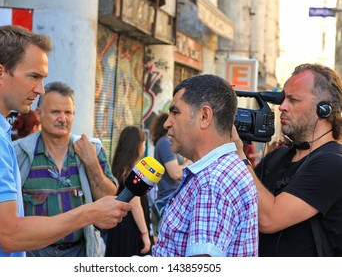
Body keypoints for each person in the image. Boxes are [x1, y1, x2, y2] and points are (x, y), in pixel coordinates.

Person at [0, 25, 131, 257]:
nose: (40, 89)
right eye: (34, 77)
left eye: (42, 79)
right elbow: (9, 234)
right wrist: (89, 214)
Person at [233, 63, 342, 256]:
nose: (282, 107)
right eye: (283, 98)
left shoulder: (333, 163)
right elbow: (240, 203)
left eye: (293, 100)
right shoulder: (279, 155)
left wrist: (239, 153)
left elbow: (269, 219)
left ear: (324, 109)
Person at [152, 74, 258, 257]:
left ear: (204, 116)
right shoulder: (221, 171)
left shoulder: (212, 183)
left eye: (175, 112)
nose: (167, 123)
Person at [13, 81, 119, 257]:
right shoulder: (19, 153)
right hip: (33, 254)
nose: (63, 119)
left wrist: (91, 163)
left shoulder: (92, 149)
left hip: (77, 252)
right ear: (39, 114)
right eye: (56, 112)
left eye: (68, 112)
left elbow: (109, 199)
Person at [105, 126, 153, 257]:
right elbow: (135, 206)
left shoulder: (117, 168)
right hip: (131, 228)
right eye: (143, 143)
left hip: (118, 227)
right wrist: (145, 234)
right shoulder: (132, 172)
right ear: (137, 146)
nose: (144, 146)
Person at [149, 113, 191, 235]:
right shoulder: (165, 143)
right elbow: (175, 173)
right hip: (168, 200)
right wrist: (191, 161)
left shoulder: (164, 143)